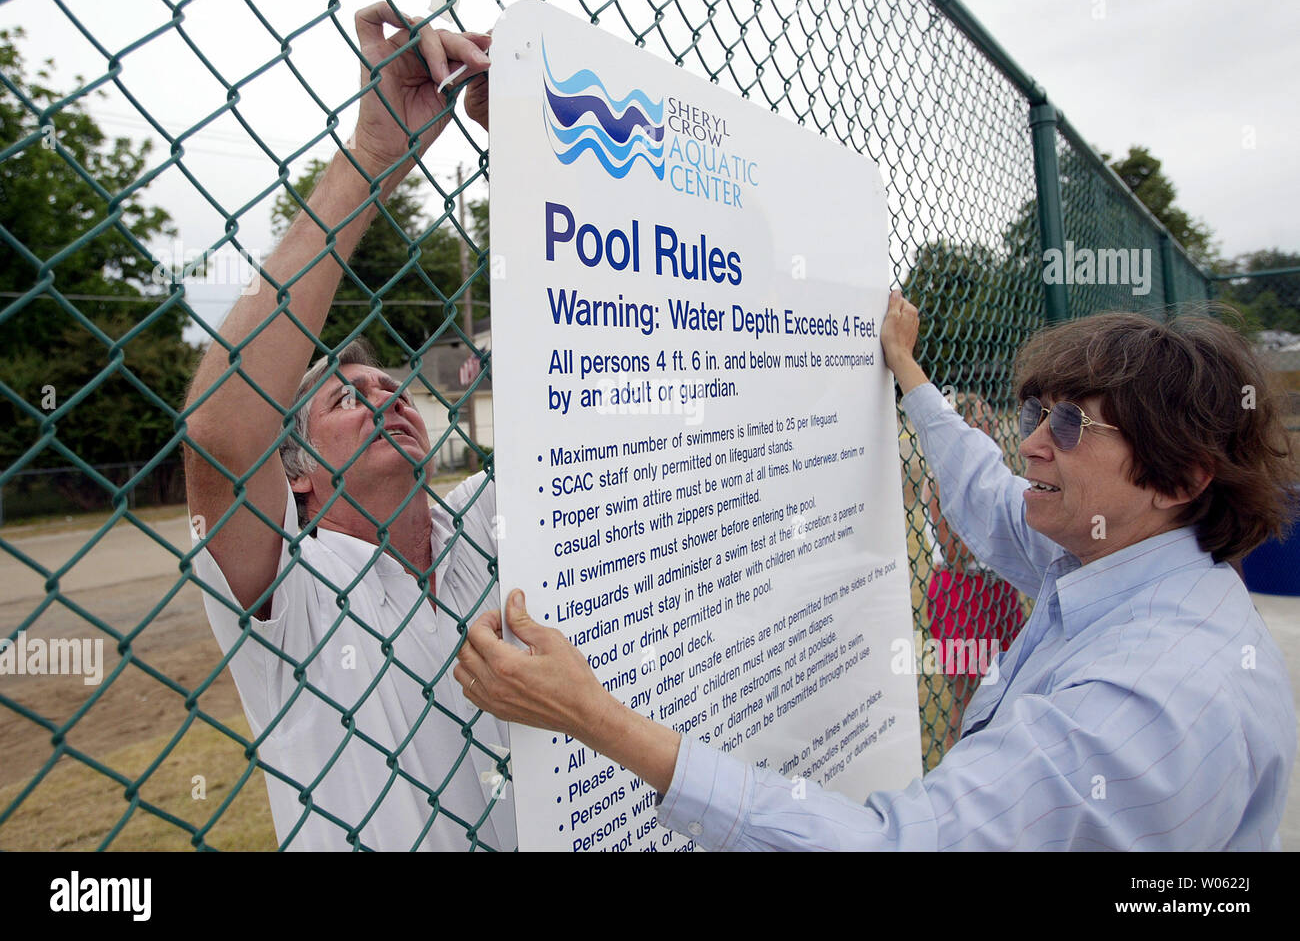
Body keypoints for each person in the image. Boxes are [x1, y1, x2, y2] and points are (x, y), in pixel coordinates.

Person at [455, 291, 1298, 850]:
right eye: (1037, 412)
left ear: (1182, 478)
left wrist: (597, 720)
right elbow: (987, 494)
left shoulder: (1144, 705)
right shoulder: (1132, 554)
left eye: (1072, 427)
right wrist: (909, 372)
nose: (1032, 441)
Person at [184, 3, 513, 851]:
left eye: (391, 385)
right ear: (294, 472)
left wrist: (536, 156)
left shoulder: (480, 519)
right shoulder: (289, 588)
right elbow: (224, 438)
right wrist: (374, 157)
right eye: (345, 396)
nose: (385, 396)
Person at [918, 392, 1024, 751]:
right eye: (981, 419)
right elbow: (956, 551)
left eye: (991, 417)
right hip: (963, 590)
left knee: (1009, 685)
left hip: (997, 586)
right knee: (969, 702)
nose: (992, 425)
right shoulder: (942, 477)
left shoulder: (991, 474)